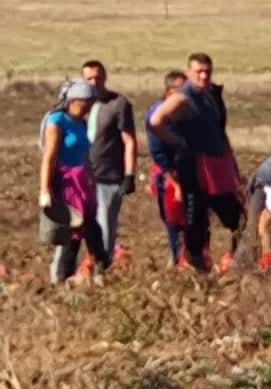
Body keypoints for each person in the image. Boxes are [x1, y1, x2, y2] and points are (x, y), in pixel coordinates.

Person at [147, 52, 243, 271]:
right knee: (196, 222)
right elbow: (155, 121)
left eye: (207, 71)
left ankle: (232, 261)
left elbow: (220, 134)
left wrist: (233, 169)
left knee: (235, 219)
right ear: (189, 72)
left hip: (216, 168)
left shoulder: (209, 95)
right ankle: (195, 268)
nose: (203, 76)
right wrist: (178, 142)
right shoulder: (184, 96)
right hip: (197, 169)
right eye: (198, 71)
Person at [39, 80, 110, 283]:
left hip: (83, 182)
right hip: (66, 182)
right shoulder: (57, 120)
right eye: (86, 103)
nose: (89, 107)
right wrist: (45, 190)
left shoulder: (81, 122)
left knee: (91, 227)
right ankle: (63, 275)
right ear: (75, 101)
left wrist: (91, 178)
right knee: (74, 230)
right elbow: (49, 157)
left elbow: (85, 154)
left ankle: (100, 266)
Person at [77, 59, 138, 261]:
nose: (94, 82)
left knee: (105, 228)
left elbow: (129, 141)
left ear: (105, 77)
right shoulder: (79, 105)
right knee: (78, 227)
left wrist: (129, 175)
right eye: (89, 79)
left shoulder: (118, 104)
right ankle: (80, 270)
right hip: (82, 176)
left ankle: (102, 269)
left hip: (108, 177)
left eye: (98, 77)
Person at [146, 69, 188, 266]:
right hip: (168, 173)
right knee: (171, 217)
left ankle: (188, 257)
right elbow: (158, 151)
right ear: (170, 92)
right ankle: (176, 255)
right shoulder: (158, 113)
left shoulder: (189, 112)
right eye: (182, 90)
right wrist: (173, 178)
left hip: (189, 169)